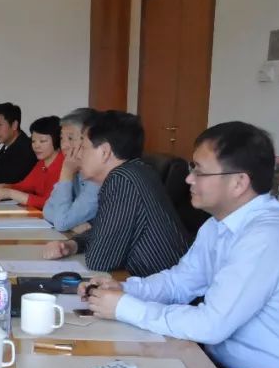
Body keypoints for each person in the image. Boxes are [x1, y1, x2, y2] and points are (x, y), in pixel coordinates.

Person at [81, 122, 279, 368]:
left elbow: (212, 324)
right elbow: (180, 281)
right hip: (215, 364)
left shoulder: (266, 235)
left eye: (199, 171)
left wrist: (125, 308)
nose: (189, 179)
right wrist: (125, 290)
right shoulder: (217, 224)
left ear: (239, 182)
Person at [42, 111, 190, 277]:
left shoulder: (122, 180)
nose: (78, 155)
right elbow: (104, 230)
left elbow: (100, 260)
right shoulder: (133, 171)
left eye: (83, 147)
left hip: (162, 288)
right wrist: (73, 245)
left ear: (105, 152)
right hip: (145, 282)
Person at [0, 116, 64, 209]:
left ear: (57, 140)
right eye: (33, 141)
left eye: (42, 141)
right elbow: (24, 187)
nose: (36, 146)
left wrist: (9, 193)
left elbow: (49, 203)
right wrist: (5, 186)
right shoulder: (42, 163)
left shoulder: (63, 165)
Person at [42, 108, 100, 232]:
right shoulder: (75, 169)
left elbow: (61, 223)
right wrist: (73, 225)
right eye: (62, 138)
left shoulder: (97, 177)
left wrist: (66, 173)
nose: (64, 146)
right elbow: (47, 209)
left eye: (70, 138)